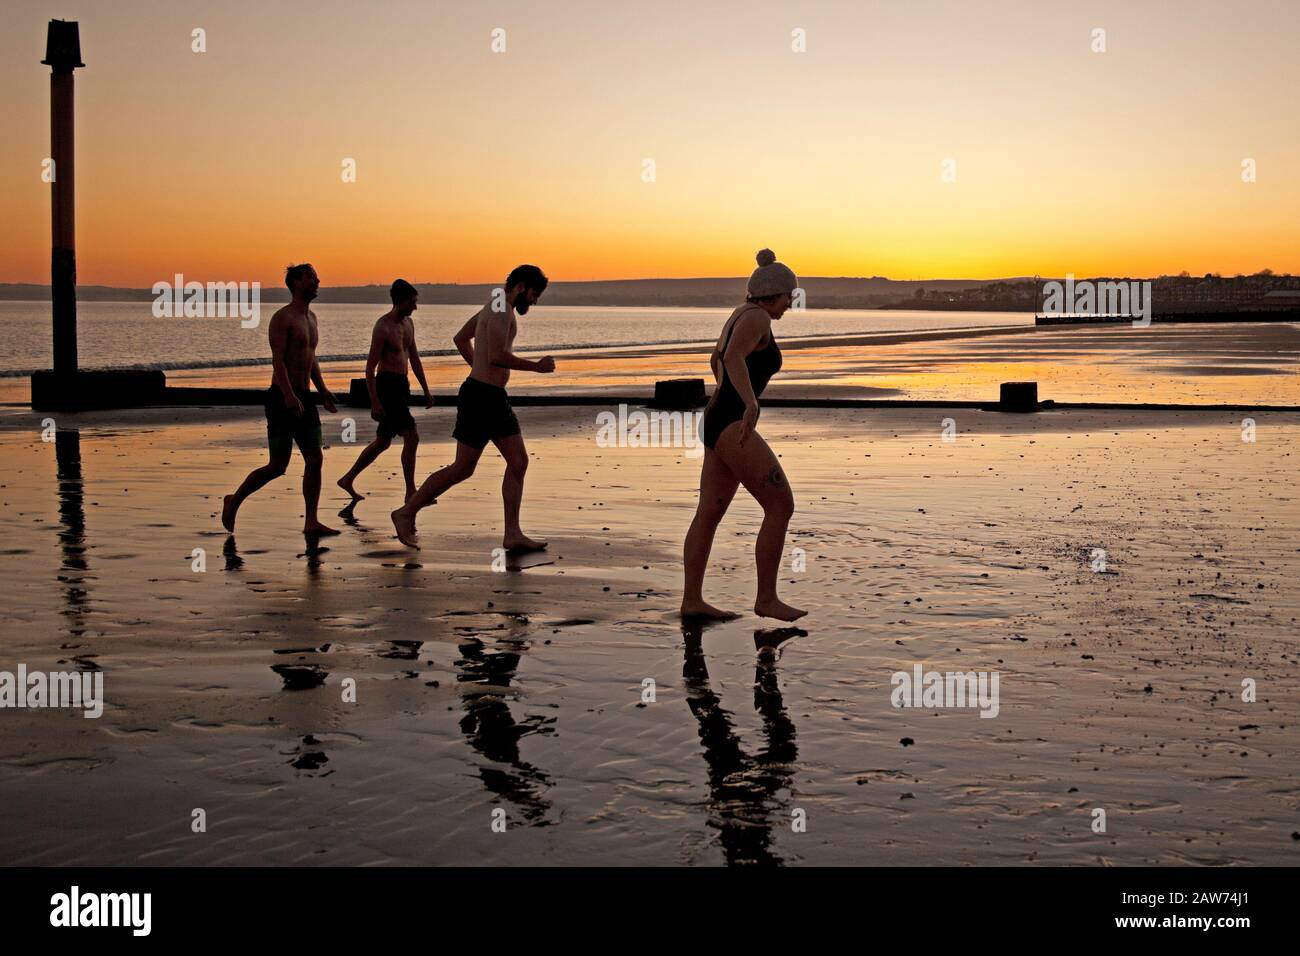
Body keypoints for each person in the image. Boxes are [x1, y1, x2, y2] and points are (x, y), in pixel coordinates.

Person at [390, 265, 554, 550]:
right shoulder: (502, 310)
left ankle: (512, 534)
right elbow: (496, 356)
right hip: (483, 398)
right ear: (521, 286)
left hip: (485, 394)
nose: (535, 301)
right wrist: (536, 367)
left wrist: (478, 371)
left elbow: (461, 338)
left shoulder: (495, 305)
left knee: (507, 463)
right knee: (465, 468)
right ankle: (405, 513)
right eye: (534, 294)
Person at [681, 249, 805, 621]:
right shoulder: (757, 319)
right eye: (788, 298)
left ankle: (692, 601)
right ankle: (766, 598)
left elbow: (714, 358)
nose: (789, 305)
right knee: (780, 505)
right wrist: (748, 403)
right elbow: (732, 358)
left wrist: (727, 395)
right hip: (733, 422)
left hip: (717, 419)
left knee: (709, 512)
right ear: (775, 294)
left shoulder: (740, 312)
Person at [222, 263, 340, 536]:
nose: (318, 281)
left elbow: (310, 359)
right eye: (312, 278)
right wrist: (287, 394)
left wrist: (322, 390)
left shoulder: (312, 319)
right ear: (297, 282)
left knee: (315, 458)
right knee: (278, 465)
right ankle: (234, 500)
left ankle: (311, 520)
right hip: (281, 398)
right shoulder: (282, 318)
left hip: (305, 397)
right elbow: (278, 361)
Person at [337, 279, 432, 502]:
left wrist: (426, 389)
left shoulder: (408, 324)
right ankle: (411, 491)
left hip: (402, 385)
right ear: (401, 301)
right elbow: (370, 367)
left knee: (383, 441)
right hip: (386, 385)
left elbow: (415, 359)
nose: (415, 307)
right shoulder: (383, 327)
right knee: (412, 436)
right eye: (412, 302)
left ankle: (348, 478)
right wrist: (375, 401)